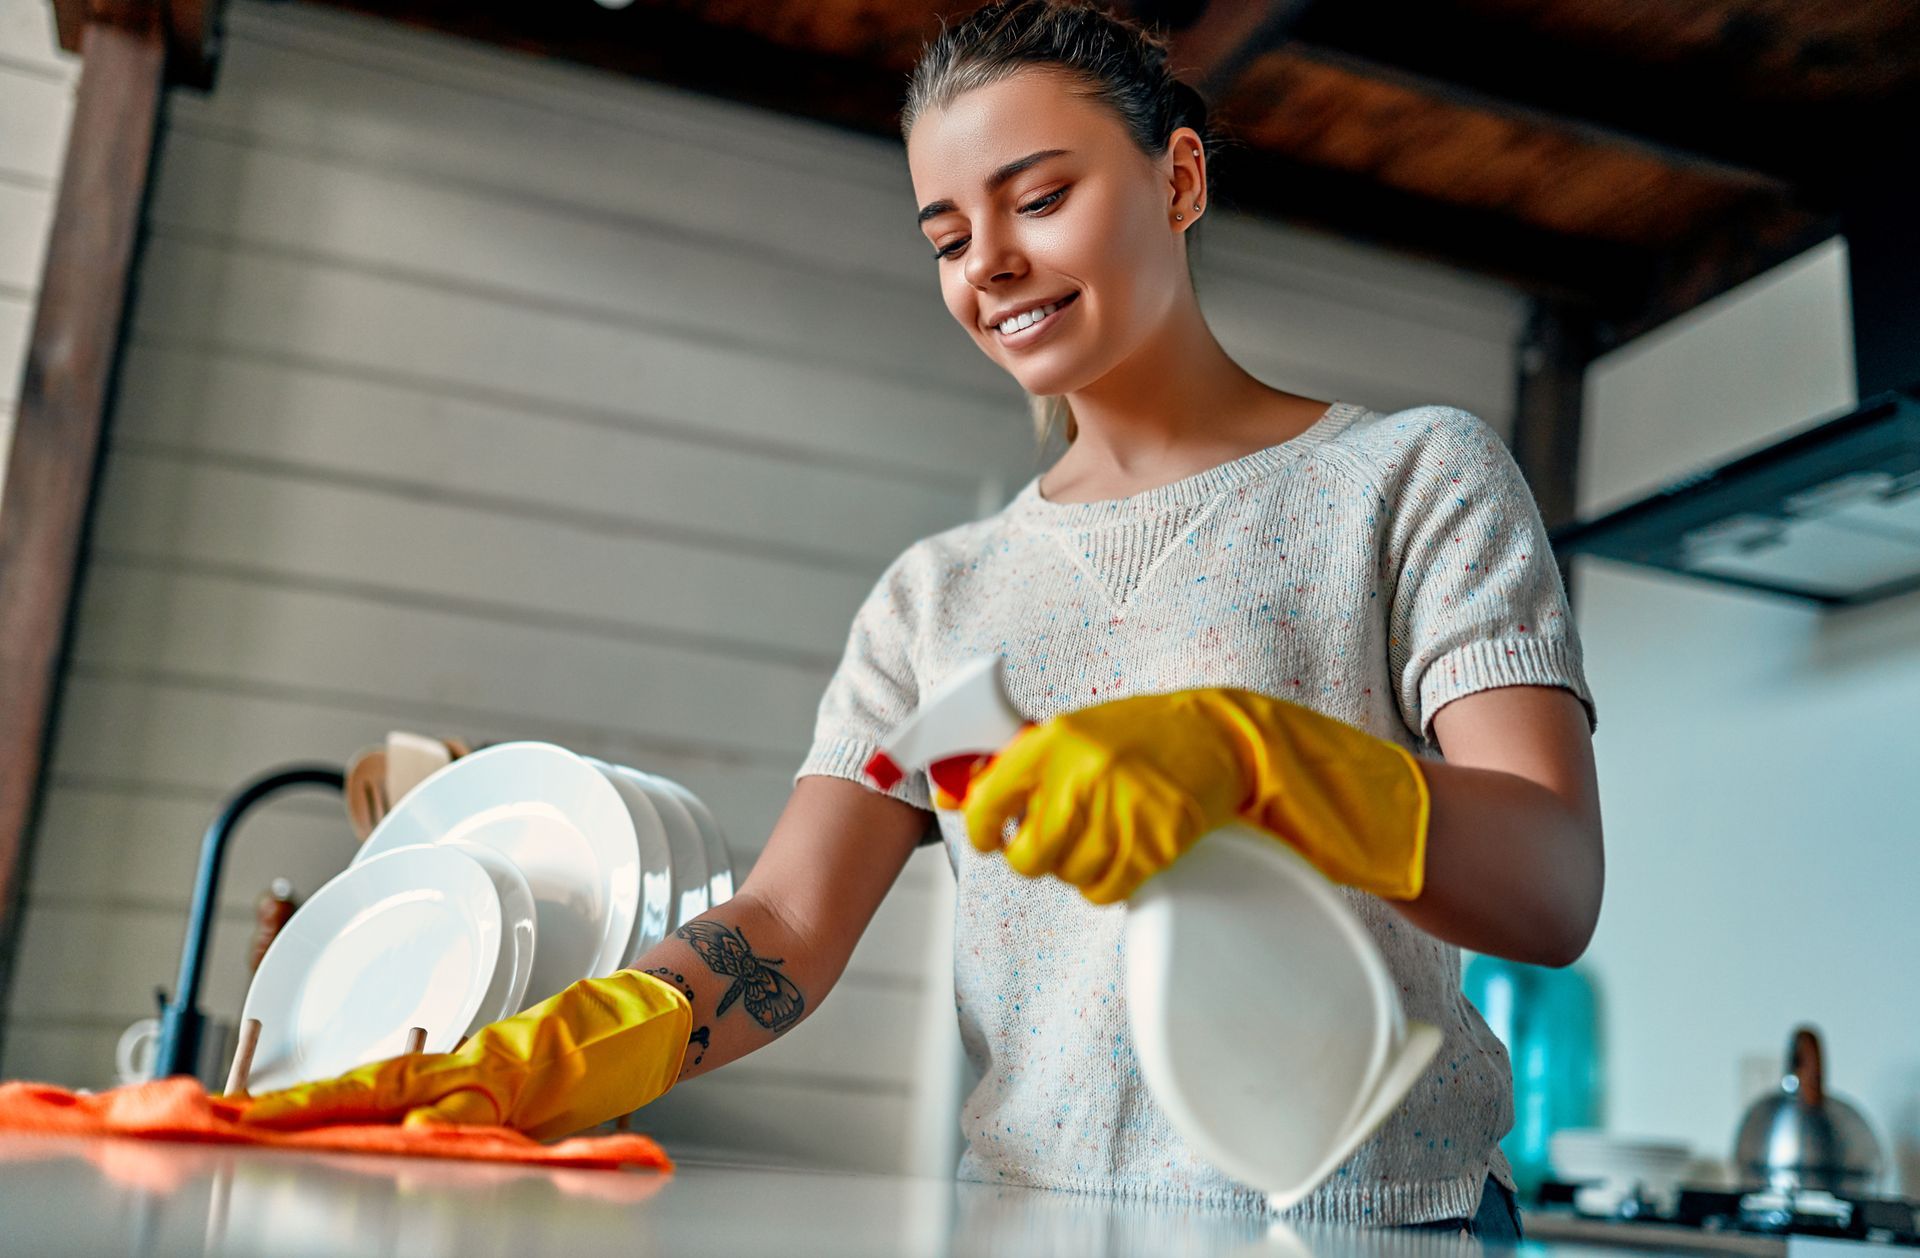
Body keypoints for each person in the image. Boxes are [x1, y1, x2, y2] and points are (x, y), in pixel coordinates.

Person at [240, 0, 1600, 1238]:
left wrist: (1257, 758)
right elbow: (784, 921)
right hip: (1033, 1225)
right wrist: (551, 1050)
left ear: (1178, 178)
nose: (991, 265)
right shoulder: (933, 601)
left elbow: (1551, 880)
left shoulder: (1409, 480)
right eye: (949, 238)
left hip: (1375, 1226)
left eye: (1041, 198)